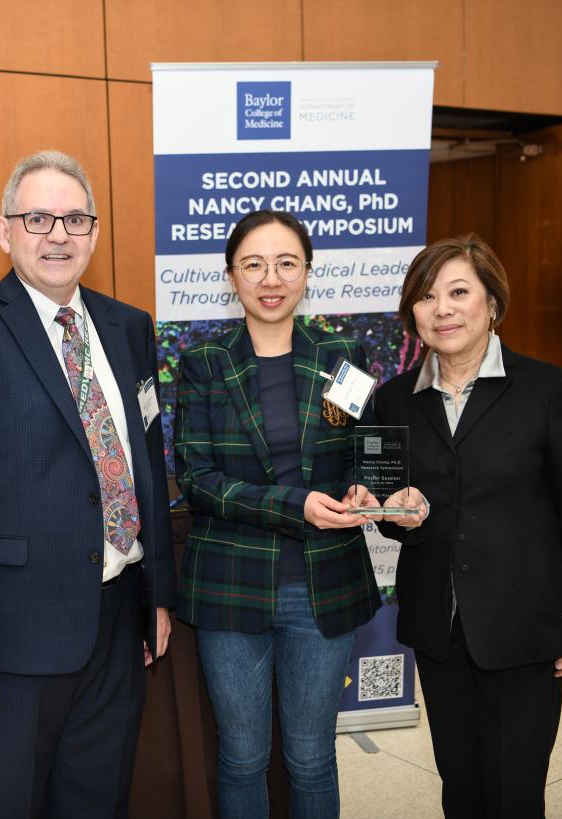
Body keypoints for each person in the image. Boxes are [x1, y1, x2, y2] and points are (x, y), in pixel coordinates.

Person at [0, 150, 177, 819]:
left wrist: (158, 595)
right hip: (13, 635)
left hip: (118, 622)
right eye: (38, 218)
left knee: (99, 798)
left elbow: (144, 463)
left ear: (93, 231)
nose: (58, 234)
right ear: (5, 231)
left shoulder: (128, 327)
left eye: (75, 219)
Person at [375, 233, 562, 818]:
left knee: (515, 792)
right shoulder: (396, 399)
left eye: (458, 292)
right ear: (412, 315)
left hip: (523, 624)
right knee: (462, 786)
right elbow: (392, 515)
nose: (442, 309)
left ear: (492, 304)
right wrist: (395, 514)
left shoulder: (548, 389)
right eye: (426, 298)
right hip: (439, 625)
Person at [174, 210, 383, 818]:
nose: (272, 278)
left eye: (287, 262)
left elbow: (359, 449)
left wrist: (363, 488)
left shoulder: (343, 354)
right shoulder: (204, 363)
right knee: (241, 756)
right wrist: (295, 505)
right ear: (231, 276)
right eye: (254, 264)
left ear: (307, 272)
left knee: (312, 756)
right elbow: (199, 481)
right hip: (230, 586)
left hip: (324, 585)